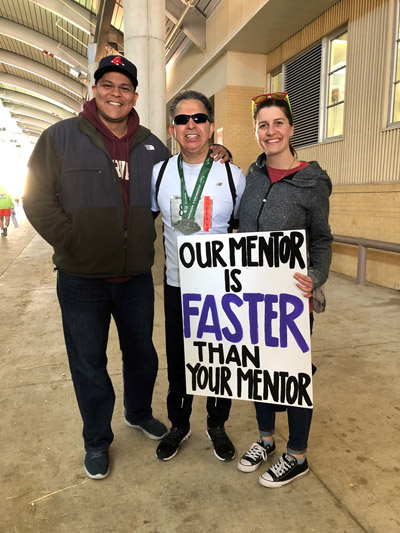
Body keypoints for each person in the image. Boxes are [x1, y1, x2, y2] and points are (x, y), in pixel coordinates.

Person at [23, 55, 229, 480]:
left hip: (135, 276)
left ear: (135, 95)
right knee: (88, 363)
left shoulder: (153, 146)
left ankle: (138, 413)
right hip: (82, 279)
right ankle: (97, 440)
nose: (115, 93)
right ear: (94, 89)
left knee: (142, 356)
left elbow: (185, 176)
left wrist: (220, 151)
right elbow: (37, 198)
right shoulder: (60, 137)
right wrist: (72, 241)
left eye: (124, 87)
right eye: (107, 84)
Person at [236, 92, 332, 487]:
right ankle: (265, 439)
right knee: (259, 368)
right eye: (263, 125)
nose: (270, 131)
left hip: (292, 299)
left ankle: (297, 454)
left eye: (278, 123)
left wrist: (316, 276)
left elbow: (323, 239)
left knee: (293, 374)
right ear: (256, 132)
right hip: (252, 296)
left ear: (291, 129)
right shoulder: (252, 175)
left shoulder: (312, 180)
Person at [151, 90, 246, 462]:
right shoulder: (160, 174)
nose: (191, 125)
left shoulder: (232, 174)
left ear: (211, 127)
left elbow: (248, 231)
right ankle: (179, 423)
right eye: (182, 119)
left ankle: (217, 424)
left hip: (220, 289)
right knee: (179, 359)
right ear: (172, 128)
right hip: (177, 287)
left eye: (199, 118)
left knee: (219, 360)